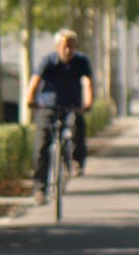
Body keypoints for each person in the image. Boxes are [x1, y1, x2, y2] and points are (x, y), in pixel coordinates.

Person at [25, 29, 93, 205]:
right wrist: (30, 99)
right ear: (57, 47)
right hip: (48, 107)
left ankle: (77, 161)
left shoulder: (81, 61)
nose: (68, 50)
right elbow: (35, 81)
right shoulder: (48, 61)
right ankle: (40, 189)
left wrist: (88, 102)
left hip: (71, 106)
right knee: (41, 146)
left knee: (78, 124)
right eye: (64, 46)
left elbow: (87, 82)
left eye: (71, 46)